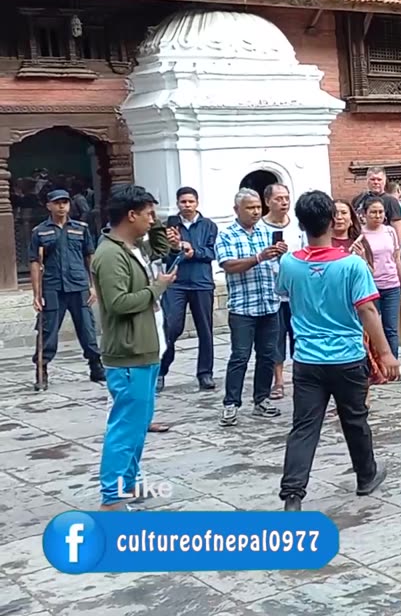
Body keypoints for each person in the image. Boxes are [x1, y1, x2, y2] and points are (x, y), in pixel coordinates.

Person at [277, 191, 399, 511]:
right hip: (346, 356)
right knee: (355, 420)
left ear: (301, 224)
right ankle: (366, 475)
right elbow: (368, 312)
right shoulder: (352, 265)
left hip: (306, 358)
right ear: (333, 221)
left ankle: (293, 494)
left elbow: (285, 296)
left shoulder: (288, 263)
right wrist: (386, 354)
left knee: (304, 427)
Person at [91, 184, 175, 510]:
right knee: (125, 427)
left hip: (146, 348)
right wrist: (158, 287)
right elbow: (118, 303)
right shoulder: (110, 254)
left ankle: (129, 483)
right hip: (128, 354)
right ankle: (111, 496)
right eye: (148, 214)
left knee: (138, 424)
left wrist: (154, 225)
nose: (152, 219)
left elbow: (159, 250)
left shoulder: (131, 246)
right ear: (131, 215)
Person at [215, 188, 287, 427]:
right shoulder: (226, 235)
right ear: (237, 210)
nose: (256, 212)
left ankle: (262, 399)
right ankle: (231, 404)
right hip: (243, 307)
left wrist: (280, 255)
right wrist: (258, 258)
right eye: (250, 207)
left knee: (268, 355)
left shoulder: (267, 232)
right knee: (240, 356)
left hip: (269, 303)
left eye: (258, 207)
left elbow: (277, 263)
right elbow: (228, 265)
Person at [30, 188, 104, 390]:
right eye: (57, 202)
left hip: (79, 285)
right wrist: (36, 294)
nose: (62, 206)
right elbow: (35, 263)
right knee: (47, 330)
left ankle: (96, 365)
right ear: (49, 206)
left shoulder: (81, 228)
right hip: (52, 287)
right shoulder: (40, 231)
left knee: (87, 328)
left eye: (65, 202)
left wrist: (94, 286)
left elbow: (90, 257)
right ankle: (42, 370)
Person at [158, 187, 217, 392]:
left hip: (201, 282)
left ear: (197, 203)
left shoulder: (208, 225)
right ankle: (161, 371)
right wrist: (174, 246)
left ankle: (205, 373)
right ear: (177, 203)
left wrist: (194, 250)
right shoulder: (169, 226)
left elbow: (212, 252)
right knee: (171, 326)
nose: (187, 205)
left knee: (205, 329)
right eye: (183, 202)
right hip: (176, 282)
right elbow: (163, 255)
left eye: (190, 202)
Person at [261, 183, 302, 400]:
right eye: (278, 198)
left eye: (286, 198)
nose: (284, 202)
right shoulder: (260, 228)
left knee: (299, 335)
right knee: (276, 338)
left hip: (296, 293)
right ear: (267, 201)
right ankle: (278, 380)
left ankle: (300, 375)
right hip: (271, 292)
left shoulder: (297, 226)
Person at [360, 197, 401, 359]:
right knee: (372, 327)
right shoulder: (360, 234)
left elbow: (396, 257)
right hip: (371, 286)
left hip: (391, 284)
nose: (377, 215)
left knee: (391, 328)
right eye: (373, 212)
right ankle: (375, 363)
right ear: (364, 214)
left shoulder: (390, 231)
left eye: (380, 212)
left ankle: (393, 363)